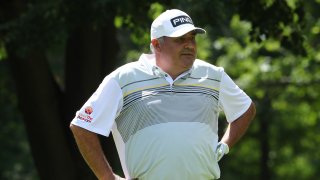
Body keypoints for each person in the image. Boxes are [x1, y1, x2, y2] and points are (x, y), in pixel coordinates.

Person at [70, 9, 256, 180]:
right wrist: (107, 177)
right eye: (180, 39)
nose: (189, 45)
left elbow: (245, 109)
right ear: (157, 44)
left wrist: (224, 146)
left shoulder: (213, 75)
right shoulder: (123, 79)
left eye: (192, 38)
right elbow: (82, 126)